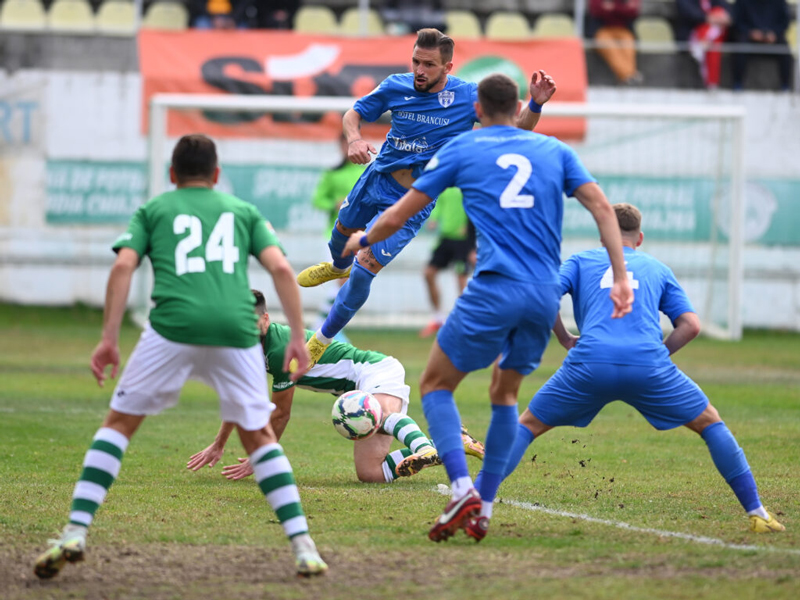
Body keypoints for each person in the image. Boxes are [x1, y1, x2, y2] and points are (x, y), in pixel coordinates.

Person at [342, 73, 633, 543]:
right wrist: (619, 275)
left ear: (476, 110)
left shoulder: (462, 149)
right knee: (504, 396)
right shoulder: (555, 150)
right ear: (518, 107)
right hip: (543, 294)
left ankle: (462, 490)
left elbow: (400, 211)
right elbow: (602, 208)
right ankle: (485, 507)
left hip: (494, 287)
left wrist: (362, 240)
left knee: (436, 384)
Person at [33, 134, 328, 580]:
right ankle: (304, 547)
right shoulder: (243, 211)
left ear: (172, 174)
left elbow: (122, 266)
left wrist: (109, 338)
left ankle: (75, 532)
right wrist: (296, 339)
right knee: (260, 438)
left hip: (172, 327)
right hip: (235, 331)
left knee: (118, 425)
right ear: (216, 174)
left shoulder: (154, 210)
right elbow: (282, 269)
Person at [500, 203, 785, 537]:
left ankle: (476, 498)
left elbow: (544, 298)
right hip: (649, 365)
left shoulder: (579, 261)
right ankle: (757, 513)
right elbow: (691, 325)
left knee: (528, 425)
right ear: (640, 238)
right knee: (710, 423)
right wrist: (657, 355)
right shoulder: (657, 268)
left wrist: (564, 338)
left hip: (591, 362)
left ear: (603, 235)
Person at [294, 28, 557, 370]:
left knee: (363, 271)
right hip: (376, 178)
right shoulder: (396, 85)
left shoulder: (467, 96)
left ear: (448, 67)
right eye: (416, 61)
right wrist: (354, 139)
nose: (420, 70)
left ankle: (322, 338)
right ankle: (335, 266)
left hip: (415, 198)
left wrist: (535, 103)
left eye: (429, 65)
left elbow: (516, 128)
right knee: (339, 240)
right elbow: (352, 115)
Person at [186, 290, 485, 484]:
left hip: (373, 371)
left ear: (265, 319)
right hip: (361, 388)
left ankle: (423, 447)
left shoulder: (279, 350)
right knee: (370, 473)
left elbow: (280, 414)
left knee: (377, 415)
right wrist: (219, 443)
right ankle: (450, 443)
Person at [311, 133, 367, 344]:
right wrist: (335, 204)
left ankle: (322, 326)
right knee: (342, 281)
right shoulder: (333, 173)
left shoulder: (367, 172)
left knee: (348, 283)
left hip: (361, 236)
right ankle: (326, 329)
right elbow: (318, 200)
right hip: (335, 235)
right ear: (341, 146)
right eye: (345, 144)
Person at [419, 187, 475, 338]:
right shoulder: (446, 185)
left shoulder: (468, 185)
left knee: (461, 279)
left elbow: (477, 207)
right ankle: (438, 318)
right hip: (446, 237)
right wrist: (434, 219)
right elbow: (439, 204)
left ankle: (464, 321)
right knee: (428, 273)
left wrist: (472, 235)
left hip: (463, 240)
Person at [731, 0, 793, 91]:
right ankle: (737, 84)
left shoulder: (779, 2)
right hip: (749, 37)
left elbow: (785, 22)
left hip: (773, 38)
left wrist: (774, 34)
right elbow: (737, 21)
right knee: (740, 47)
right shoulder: (742, 2)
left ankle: (785, 86)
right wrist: (750, 33)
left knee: (784, 49)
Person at [675, 0, 732, 90]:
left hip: (713, 37)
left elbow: (728, 8)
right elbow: (689, 13)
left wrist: (725, 17)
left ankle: (703, 42)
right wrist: (707, 18)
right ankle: (712, 82)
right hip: (692, 32)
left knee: (718, 11)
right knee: (712, 41)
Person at [588, 0, 642, 86]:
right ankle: (630, 75)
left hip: (624, 30)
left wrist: (612, 7)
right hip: (602, 30)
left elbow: (633, 11)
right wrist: (622, 8)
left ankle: (627, 77)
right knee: (610, 48)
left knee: (628, 47)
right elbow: (596, 9)